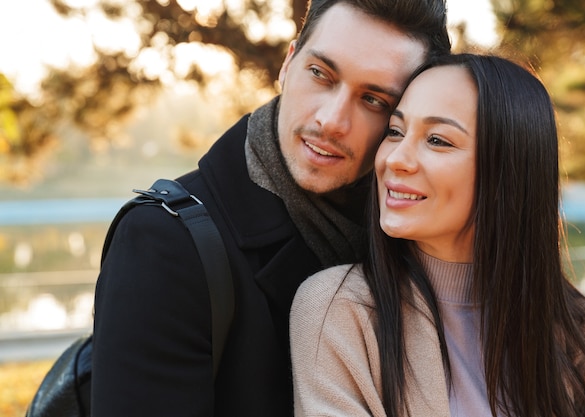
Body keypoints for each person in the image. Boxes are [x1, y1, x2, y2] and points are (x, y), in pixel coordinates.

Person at [90, 0, 451, 416]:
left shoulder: (419, 243)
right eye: (320, 74)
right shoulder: (164, 244)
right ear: (288, 62)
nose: (332, 121)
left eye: (374, 101)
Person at [290, 53, 585, 417]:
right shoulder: (340, 310)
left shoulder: (574, 332)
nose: (395, 159)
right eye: (395, 131)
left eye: (437, 140)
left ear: (507, 172)